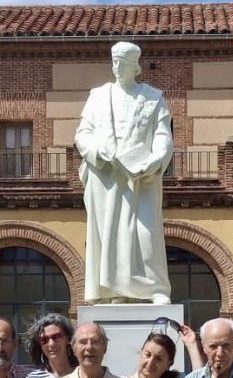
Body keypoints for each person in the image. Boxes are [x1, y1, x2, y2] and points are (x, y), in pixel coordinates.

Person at [75, 41, 173, 305]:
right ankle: (116, 291)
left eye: (122, 62)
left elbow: (164, 137)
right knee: (111, 235)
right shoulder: (97, 96)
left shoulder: (154, 97)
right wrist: (98, 151)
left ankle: (155, 288)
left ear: (135, 66)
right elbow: (83, 135)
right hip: (106, 176)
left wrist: (154, 162)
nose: (116, 67)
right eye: (114, 61)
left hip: (144, 177)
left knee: (146, 232)